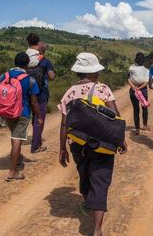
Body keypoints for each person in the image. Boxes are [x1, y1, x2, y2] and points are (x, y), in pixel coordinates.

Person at [58, 52, 127, 236]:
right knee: (101, 180)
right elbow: (115, 115)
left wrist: (62, 148)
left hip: (78, 143)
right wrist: (121, 140)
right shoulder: (103, 89)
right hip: (102, 143)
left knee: (84, 173)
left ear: (79, 73)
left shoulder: (70, 93)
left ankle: (88, 201)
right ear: (95, 72)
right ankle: (97, 229)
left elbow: (64, 123)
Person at [0, 52, 43, 181]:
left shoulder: (3, 76)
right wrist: (38, 116)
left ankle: (16, 159)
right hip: (22, 113)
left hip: (6, 112)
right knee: (17, 139)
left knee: (14, 136)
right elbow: (34, 101)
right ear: (27, 64)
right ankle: (13, 172)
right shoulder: (30, 80)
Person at [31, 42, 56, 153]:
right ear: (44, 51)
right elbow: (51, 77)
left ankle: (36, 140)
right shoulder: (45, 61)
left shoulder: (29, 61)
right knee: (39, 119)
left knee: (34, 117)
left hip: (27, 93)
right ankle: (36, 146)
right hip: (41, 94)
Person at [128, 52, 149, 135]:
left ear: (136, 60)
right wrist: (139, 88)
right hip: (143, 90)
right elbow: (146, 82)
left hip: (133, 90)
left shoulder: (131, 68)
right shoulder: (147, 70)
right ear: (143, 61)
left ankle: (137, 128)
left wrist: (134, 87)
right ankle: (145, 125)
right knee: (144, 108)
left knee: (136, 109)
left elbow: (128, 79)